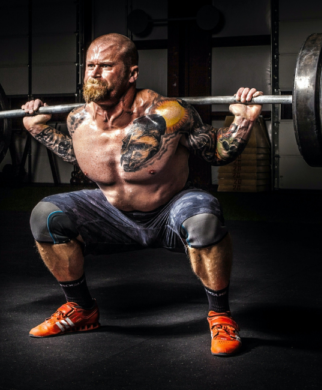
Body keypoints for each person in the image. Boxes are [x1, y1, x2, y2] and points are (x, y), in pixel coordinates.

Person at [22, 33, 262, 356]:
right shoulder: (77, 120)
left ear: (132, 74)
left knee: (205, 217)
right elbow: (75, 154)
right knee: (45, 216)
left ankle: (220, 316)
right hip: (111, 214)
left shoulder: (171, 114)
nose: (94, 73)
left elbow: (217, 150)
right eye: (90, 65)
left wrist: (243, 122)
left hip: (168, 209)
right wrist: (40, 130)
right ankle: (81, 309)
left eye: (105, 66)